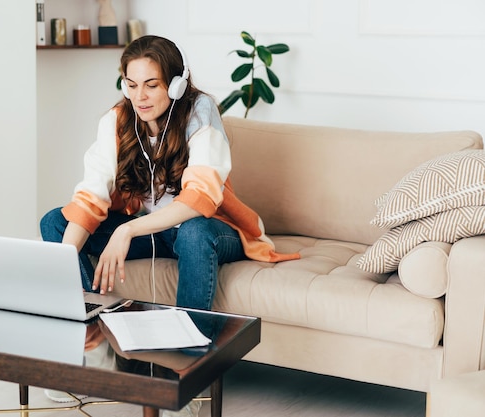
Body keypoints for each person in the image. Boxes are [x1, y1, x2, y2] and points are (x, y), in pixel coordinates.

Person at [40, 34, 300, 417]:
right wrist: (60, 261)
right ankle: (97, 342)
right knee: (54, 223)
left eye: (151, 85)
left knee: (194, 232)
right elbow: (91, 197)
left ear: (176, 83)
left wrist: (127, 231)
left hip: (211, 228)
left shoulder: (201, 112)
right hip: (150, 228)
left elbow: (199, 198)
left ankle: (188, 370)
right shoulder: (116, 120)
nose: (140, 97)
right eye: (131, 85)